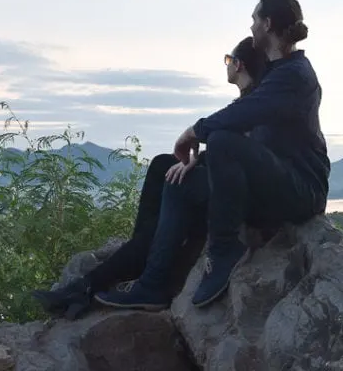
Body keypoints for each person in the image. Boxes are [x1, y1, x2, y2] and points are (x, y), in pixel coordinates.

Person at [95, 0, 330, 311]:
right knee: (177, 178)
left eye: (253, 19)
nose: (250, 26)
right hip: (271, 185)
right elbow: (253, 137)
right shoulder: (275, 75)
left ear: (267, 23)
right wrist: (198, 162)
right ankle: (153, 285)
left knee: (221, 139)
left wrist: (195, 132)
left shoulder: (295, 74)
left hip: (301, 190)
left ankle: (224, 250)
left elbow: (242, 117)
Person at [31, 36, 268, 318]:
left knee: (175, 182)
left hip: (234, 198)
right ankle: (143, 249)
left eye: (228, 60)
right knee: (162, 165)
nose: (227, 65)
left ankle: (110, 284)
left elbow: (241, 157)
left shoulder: (256, 104)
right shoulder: (251, 100)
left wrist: (198, 162)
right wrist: (197, 161)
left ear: (238, 64)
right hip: (227, 184)